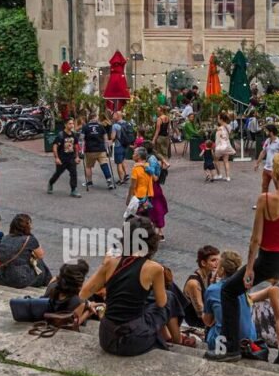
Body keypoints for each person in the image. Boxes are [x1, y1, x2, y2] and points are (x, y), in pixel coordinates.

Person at [206, 153, 279, 366]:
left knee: (228, 290)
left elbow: (255, 238)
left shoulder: (265, 199)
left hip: (269, 258)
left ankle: (230, 348)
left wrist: (249, 268)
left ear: (278, 174)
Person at [81, 217, 177, 355]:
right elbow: (161, 303)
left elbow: (83, 293)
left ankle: (167, 336)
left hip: (107, 337)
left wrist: (105, 264)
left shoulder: (111, 263)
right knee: (169, 297)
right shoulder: (154, 268)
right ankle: (174, 337)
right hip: (133, 340)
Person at [203, 250, 259, 354]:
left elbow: (207, 321)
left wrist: (211, 284)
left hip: (224, 343)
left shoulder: (212, 290)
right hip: (249, 339)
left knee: (210, 330)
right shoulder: (244, 285)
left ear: (222, 270)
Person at [0, 213, 52, 289]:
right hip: (20, 279)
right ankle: (50, 284)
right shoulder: (29, 239)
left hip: (2, 277)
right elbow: (40, 255)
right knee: (40, 263)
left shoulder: (5, 238)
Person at [182, 245, 220, 330]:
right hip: (196, 322)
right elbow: (201, 314)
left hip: (208, 317)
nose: (217, 263)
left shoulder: (210, 275)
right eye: (213, 260)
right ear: (203, 263)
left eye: (218, 260)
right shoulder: (194, 284)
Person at [81, 112, 115, 191]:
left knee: (88, 166)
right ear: (95, 117)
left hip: (90, 150)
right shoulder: (100, 126)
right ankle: (109, 181)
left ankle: (89, 182)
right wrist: (107, 149)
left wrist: (82, 150)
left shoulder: (85, 127)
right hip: (101, 149)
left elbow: (81, 139)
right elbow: (105, 138)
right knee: (104, 165)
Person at [48, 118, 82, 198]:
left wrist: (77, 156)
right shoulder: (61, 135)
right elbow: (55, 146)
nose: (72, 125)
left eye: (72, 123)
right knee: (58, 173)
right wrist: (56, 158)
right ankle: (51, 183)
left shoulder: (74, 135)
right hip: (62, 158)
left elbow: (76, 146)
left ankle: (74, 190)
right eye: (70, 123)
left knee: (74, 173)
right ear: (65, 125)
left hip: (71, 158)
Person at [254, 123, 279, 194]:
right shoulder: (267, 141)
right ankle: (264, 203)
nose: (265, 132)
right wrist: (257, 163)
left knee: (278, 187)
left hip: (275, 169)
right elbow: (263, 152)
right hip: (266, 169)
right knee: (264, 186)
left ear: (271, 132)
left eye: (267, 131)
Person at [109, 111, 130, 186]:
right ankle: (126, 174)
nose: (113, 116)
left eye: (114, 115)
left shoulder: (115, 125)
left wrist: (110, 138)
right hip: (126, 145)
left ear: (118, 116)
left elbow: (113, 137)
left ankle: (121, 180)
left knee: (119, 163)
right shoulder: (127, 123)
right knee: (123, 160)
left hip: (119, 146)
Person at [214, 112, 235, 182]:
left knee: (216, 160)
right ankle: (228, 177)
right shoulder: (229, 126)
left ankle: (219, 174)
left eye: (218, 118)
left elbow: (218, 139)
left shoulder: (219, 128)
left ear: (221, 119)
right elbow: (230, 135)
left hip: (220, 146)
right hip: (227, 145)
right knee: (226, 161)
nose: (218, 120)